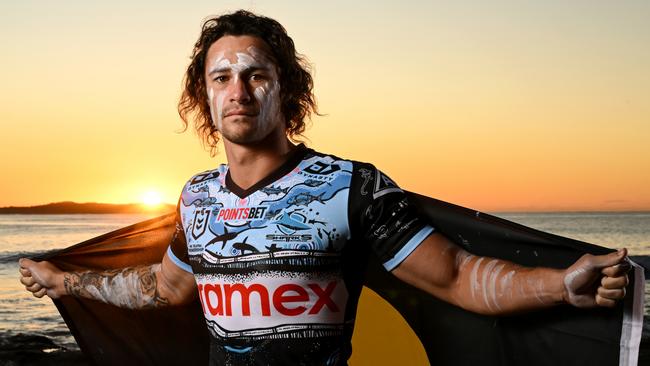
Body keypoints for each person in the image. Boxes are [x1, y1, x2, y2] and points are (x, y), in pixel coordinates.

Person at [19, 10, 630, 365]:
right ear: (203, 97)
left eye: (256, 74)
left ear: (286, 89)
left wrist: (558, 284)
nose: (239, 89)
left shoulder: (351, 186)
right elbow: (166, 286)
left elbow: (455, 276)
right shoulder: (197, 196)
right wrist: (63, 281)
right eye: (221, 76)